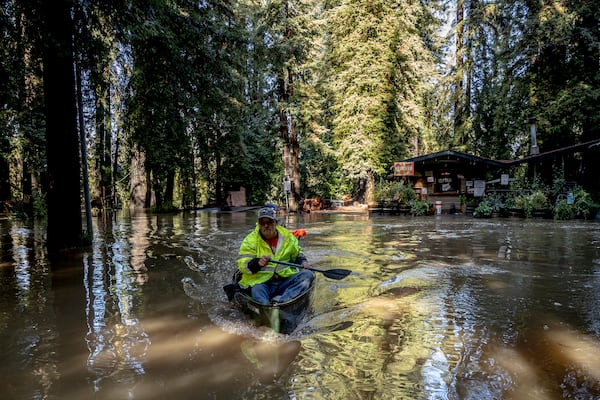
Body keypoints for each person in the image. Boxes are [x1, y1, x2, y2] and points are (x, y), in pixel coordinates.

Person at [236, 207, 314, 304]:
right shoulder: (249, 240)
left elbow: (297, 254)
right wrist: (258, 263)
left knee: (308, 275)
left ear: (275, 223)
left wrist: (303, 262)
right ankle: (267, 309)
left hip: (284, 280)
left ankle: (283, 302)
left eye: (269, 222)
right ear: (258, 224)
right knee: (257, 291)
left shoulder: (287, 237)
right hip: (261, 282)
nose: (266, 225)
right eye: (262, 223)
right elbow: (243, 265)